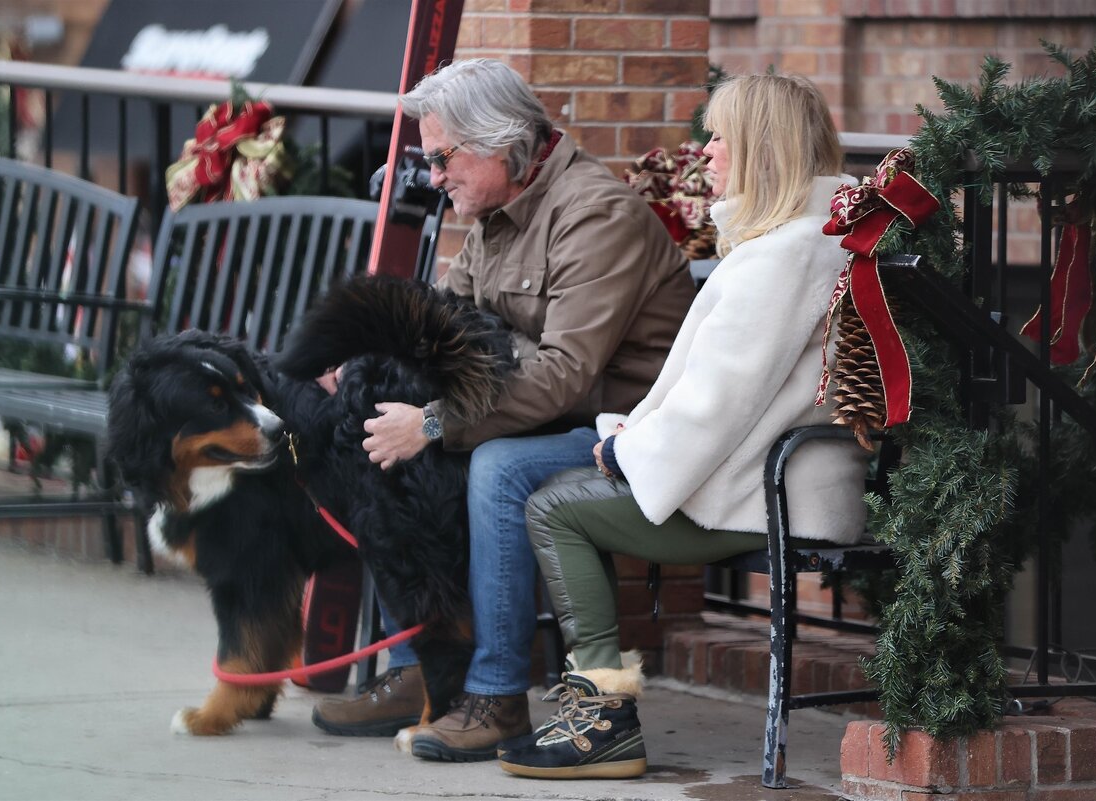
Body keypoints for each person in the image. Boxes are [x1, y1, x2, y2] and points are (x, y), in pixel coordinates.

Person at [310, 58, 697, 763]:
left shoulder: (593, 213)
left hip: (623, 430)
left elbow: (566, 378)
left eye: (441, 157)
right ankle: (422, 665)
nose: (433, 176)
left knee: (494, 464)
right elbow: (448, 329)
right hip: (545, 410)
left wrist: (431, 422)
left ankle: (496, 697)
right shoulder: (495, 207)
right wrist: (368, 368)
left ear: (497, 141)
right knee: (370, 421)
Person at [500, 73, 870, 780]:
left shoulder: (784, 255)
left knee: (556, 507)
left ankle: (602, 717)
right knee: (568, 486)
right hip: (766, 483)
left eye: (723, 134)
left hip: (767, 501)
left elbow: (717, 404)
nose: (709, 149)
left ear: (763, 149)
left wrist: (625, 450)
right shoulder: (807, 242)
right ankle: (594, 707)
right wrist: (626, 444)